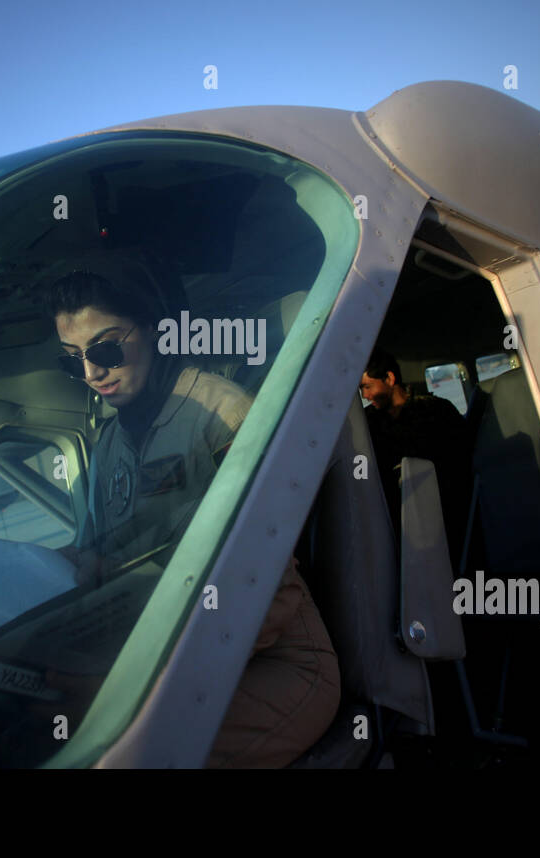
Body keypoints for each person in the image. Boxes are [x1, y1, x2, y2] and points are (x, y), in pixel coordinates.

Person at [49, 257, 340, 767]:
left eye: (106, 347)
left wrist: (152, 678)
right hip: (164, 655)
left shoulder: (223, 414)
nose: (92, 372)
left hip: (275, 664)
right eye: (73, 359)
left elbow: (271, 592)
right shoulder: (108, 445)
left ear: (156, 329)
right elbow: (115, 559)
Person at [360, 347, 472, 546]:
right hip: (395, 519)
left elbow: (463, 460)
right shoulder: (367, 422)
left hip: (442, 512)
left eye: (367, 387)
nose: (365, 395)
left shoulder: (437, 411)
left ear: (389, 378)